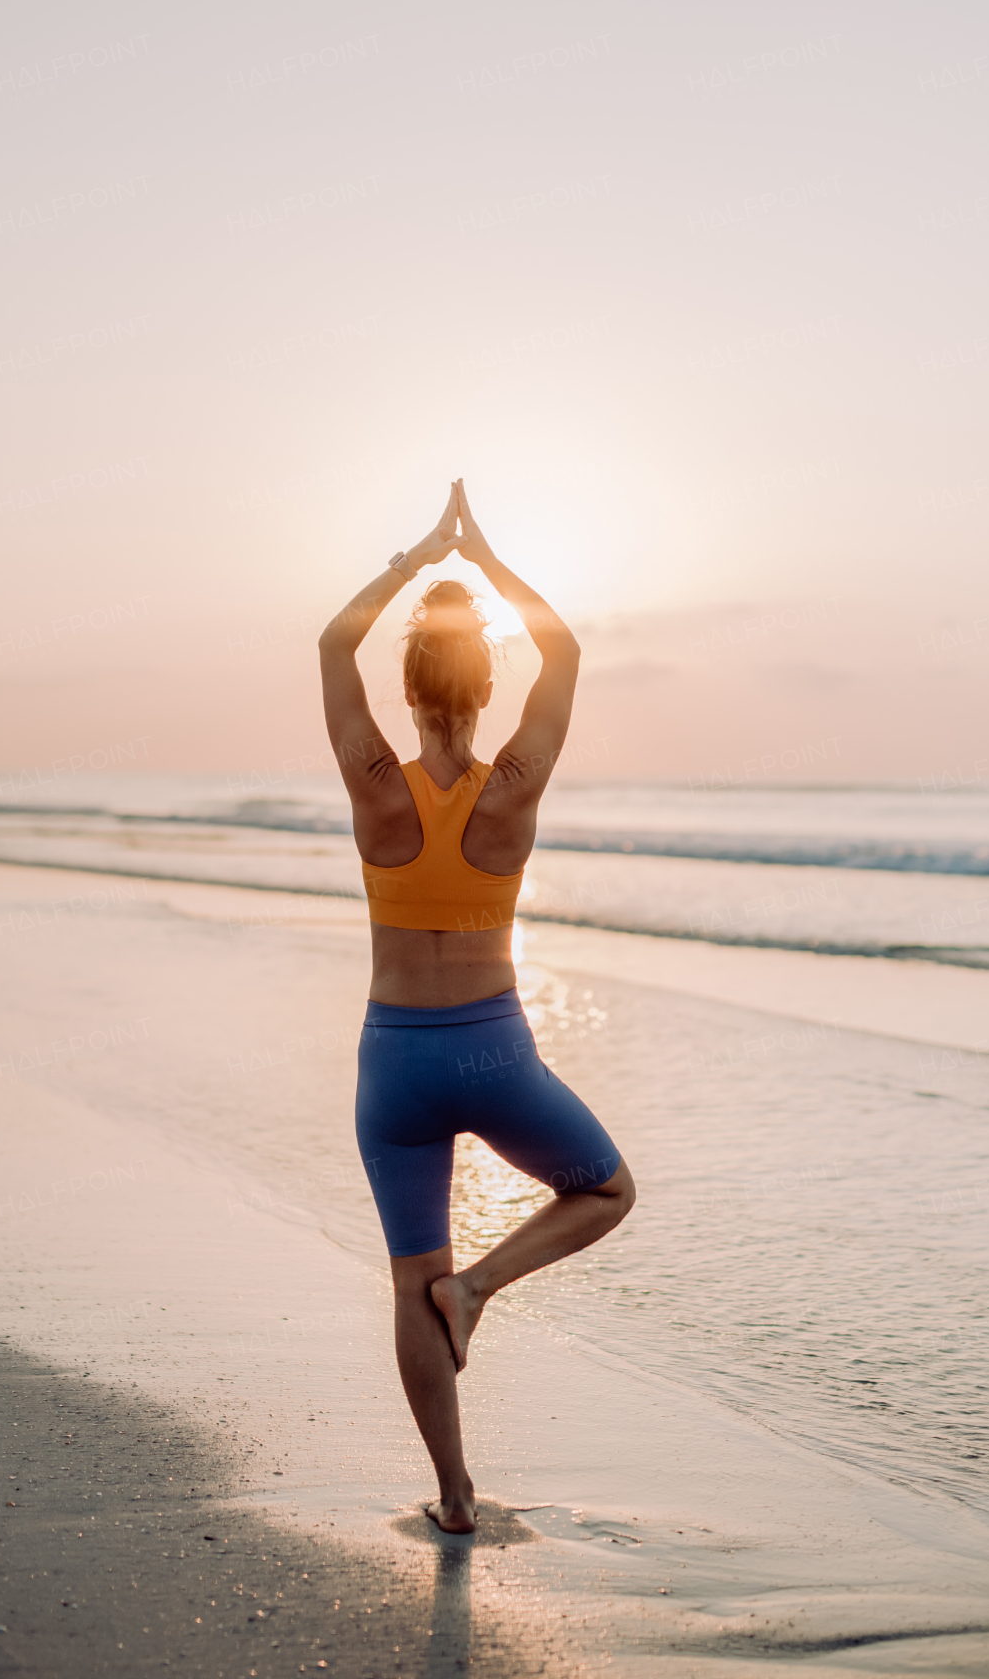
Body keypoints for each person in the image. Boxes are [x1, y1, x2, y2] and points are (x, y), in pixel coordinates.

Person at [318, 478, 635, 1534]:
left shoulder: (375, 786)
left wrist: (418, 561)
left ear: (406, 690)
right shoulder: (512, 786)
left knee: (412, 1273)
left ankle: (453, 1497)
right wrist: (487, 565)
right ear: (485, 686)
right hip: (495, 1054)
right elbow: (569, 655)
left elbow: (331, 645)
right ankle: (485, 1285)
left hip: (391, 1063)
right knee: (603, 1192)